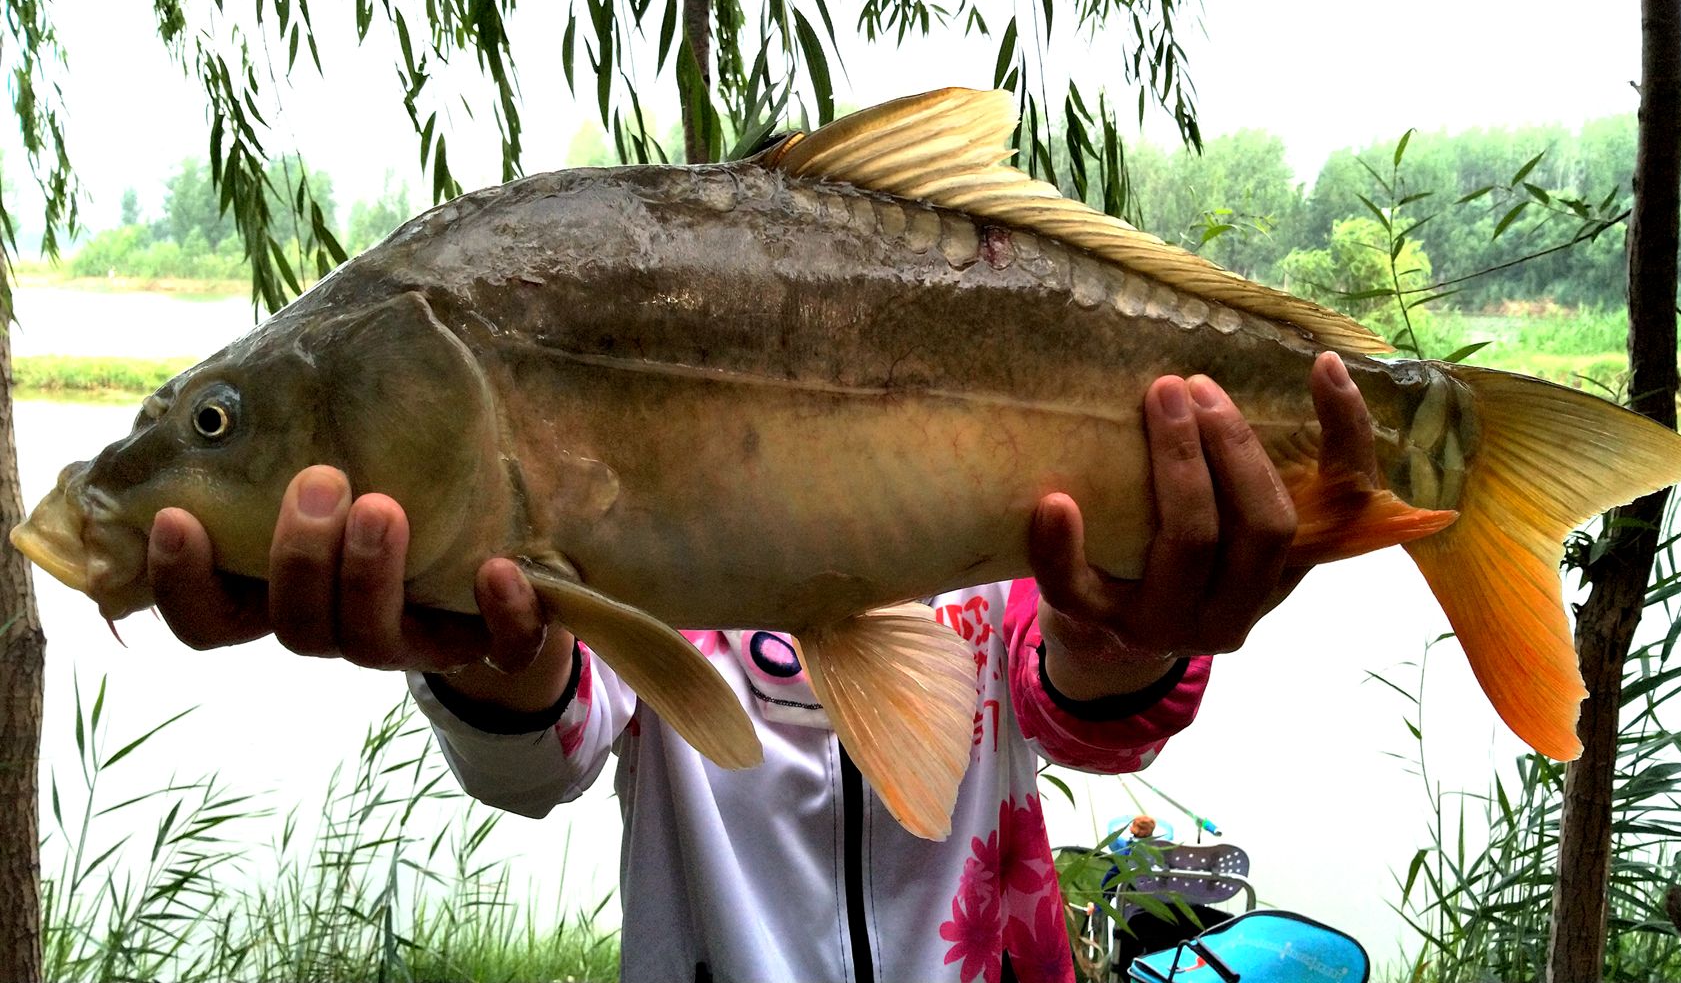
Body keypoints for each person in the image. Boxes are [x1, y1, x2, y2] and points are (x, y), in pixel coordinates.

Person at [146, 354, 1378, 983]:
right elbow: (549, 747)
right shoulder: (629, 539)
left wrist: (1134, 625)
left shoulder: (995, 513)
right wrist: (475, 643)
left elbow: (1079, 706)